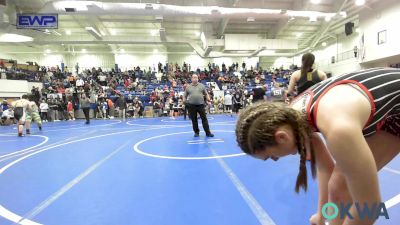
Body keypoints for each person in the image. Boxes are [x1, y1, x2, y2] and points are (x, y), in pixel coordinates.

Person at [235, 68, 400, 225]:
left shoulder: (338, 129)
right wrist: (322, 214)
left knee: (349, 193)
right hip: (390, 110)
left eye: (271, 156)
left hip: (389, 112)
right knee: (339, 186)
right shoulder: (293, 117)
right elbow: (325, 169)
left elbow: (369, 205)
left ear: (281, 137)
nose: (276, 159)